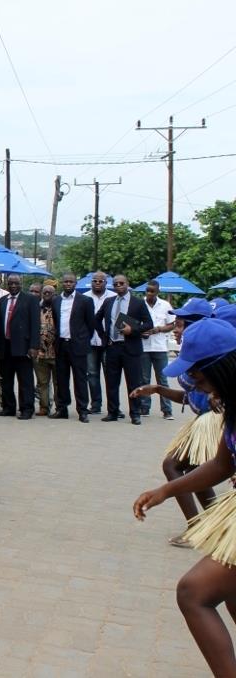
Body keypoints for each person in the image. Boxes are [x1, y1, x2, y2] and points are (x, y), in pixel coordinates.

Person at [132, 319, 236, 676]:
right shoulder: (231, 406)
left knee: (193, 592)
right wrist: (165, 490)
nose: (194, 382)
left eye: (198, 373)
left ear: (221, 366)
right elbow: (223, 464)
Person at [131, 307, 218, 547]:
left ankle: (200, 526)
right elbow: (191, 398)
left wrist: (164, 491)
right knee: (194, 470)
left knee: (174, 465)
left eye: (179, 325)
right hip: (204, 421)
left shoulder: (211, 360)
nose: (175, 330)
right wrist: (158, 389)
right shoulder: (197, 359)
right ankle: (210, 523)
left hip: (212, 423)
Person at [95, 274, 152, 425]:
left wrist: (132, 330)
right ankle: (113, 412)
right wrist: (103, 336)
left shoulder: (138, 303)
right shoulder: (109, 302)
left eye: (121, 283)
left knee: (134, 382)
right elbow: (96, 319)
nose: (118, 285)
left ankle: (135, 414)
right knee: (111, 381)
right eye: (115, 284)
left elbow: (148, 324)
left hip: (131, 347)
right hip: (112, 346)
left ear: (127, 284)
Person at [0, 274, 40, 419]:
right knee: (6, 379)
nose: (13, 286)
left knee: (25, 380)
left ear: (21, 283)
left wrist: (34, 346)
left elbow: (35, 324)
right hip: (5, 346)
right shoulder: (1, 301)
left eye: (16, 283)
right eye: (11, 283)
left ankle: (27, 409)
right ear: (7, 284)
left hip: (23, 346)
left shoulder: (30, 300)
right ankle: (8, 407)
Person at [51, 273, 96, 422]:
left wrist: (83, 339)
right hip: (61, 344)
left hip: (78, 345)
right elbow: (56, 322)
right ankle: (62, 408)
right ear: (62, 283)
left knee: (80, 379)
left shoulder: (85, 301)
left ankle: (82, 410)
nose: (68, 284)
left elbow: (91, 324)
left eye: (71, 282)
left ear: (76, 283)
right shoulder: (56, 300)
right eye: (66, 282)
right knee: (61, 379)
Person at [140, 280, 175, 419]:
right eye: (147, 290)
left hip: (160, 347)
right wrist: (141, 331)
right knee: (144, 379)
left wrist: (159, 329)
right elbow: (133, 323)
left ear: (158, 291)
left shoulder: (165, 305)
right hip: (144, 347)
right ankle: (144, 408)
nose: (149, 293)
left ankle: (167, 410)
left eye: (152, 291)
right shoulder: (139, 304)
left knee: (163, 380)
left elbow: (172, 324)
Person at [84, 271, 116, 414]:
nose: (97, 283)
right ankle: (96, 405)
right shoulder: (84, 297)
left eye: (100, 281)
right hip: (90, 342)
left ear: (106, 282)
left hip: (108, 342)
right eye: (95, 281)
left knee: (110, 375)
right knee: (92, 374)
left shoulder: (113, 297)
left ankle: (113, 407)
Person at [32, 285, 59, 416]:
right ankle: (44, 407)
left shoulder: (60, 308)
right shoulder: (36, 309)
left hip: (56, 352)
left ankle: (59, 407)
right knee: (42, 382)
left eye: (50, 292)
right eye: (45, 292)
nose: (47, 294)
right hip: (40, 352)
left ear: (55, 294)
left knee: (57, 382)